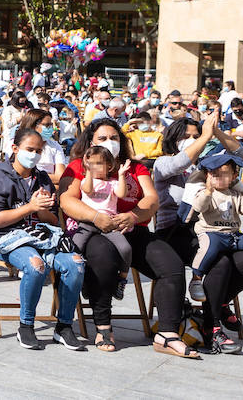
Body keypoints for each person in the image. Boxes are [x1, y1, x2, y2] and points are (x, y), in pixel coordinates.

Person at [59, 119, 195, 357]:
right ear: (91, 141)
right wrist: (95, 216)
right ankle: (103, 326)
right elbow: (67, 200)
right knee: (103, 256)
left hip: (133, 229)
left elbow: (152, 199)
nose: (109, 143)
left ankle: (167, 334)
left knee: (171, 265)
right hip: (95, 229)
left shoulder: (134, 167)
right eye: (102, 138)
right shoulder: (81, 166)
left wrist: (133, 216)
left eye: (114, 137)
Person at [0, 128, 85, 351]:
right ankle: (26, 325)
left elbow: (53, 220)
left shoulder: (41, 177)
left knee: (75, 263)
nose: (34, 155)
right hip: (5, 238)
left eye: (38, 151)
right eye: (30, 149)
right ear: (15, 148)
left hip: (40, 236)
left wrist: (42, 208)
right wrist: (30, 206)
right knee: (35, 265)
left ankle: (64, 326)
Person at [187, 151, 243, 304]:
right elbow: (198, 206)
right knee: (209, 248)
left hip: (233, 234)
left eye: (223, 174)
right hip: (211, 232)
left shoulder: (234, 194)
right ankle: (196, 279)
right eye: (213, 174)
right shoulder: (205, 192)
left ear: (234, 177)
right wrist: (208, 191)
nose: (217, 177)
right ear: (207, 175)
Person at [66, 145, 132, 299]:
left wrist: (122, 175)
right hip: (88, 222)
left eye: (99, 163)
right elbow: (88, 190)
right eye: (91, 163)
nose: (95, 167)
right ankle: (81, 279)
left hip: (109, 223)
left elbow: (122, 193)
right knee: (75, 247)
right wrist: (88, 171)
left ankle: (122, 278)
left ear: (109, 166)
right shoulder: (86, 181)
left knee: (126, 248)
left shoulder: (113, 183)